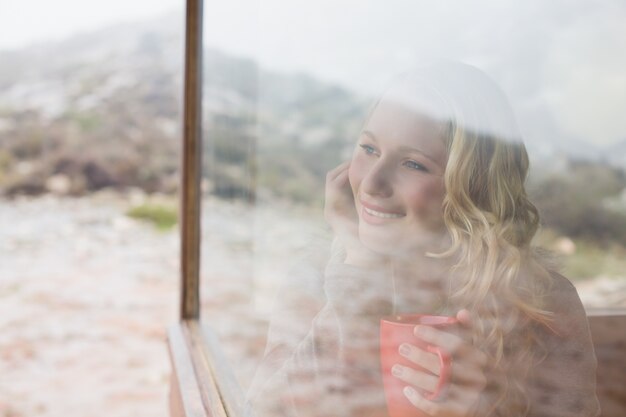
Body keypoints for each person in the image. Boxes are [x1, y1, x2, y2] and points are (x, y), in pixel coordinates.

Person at [245, 62, 600, 417]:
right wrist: (358, 274)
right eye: (368, 148)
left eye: (412, 164)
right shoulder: (316, 277)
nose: (371, 184)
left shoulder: (542, 302)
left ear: (470, 189)